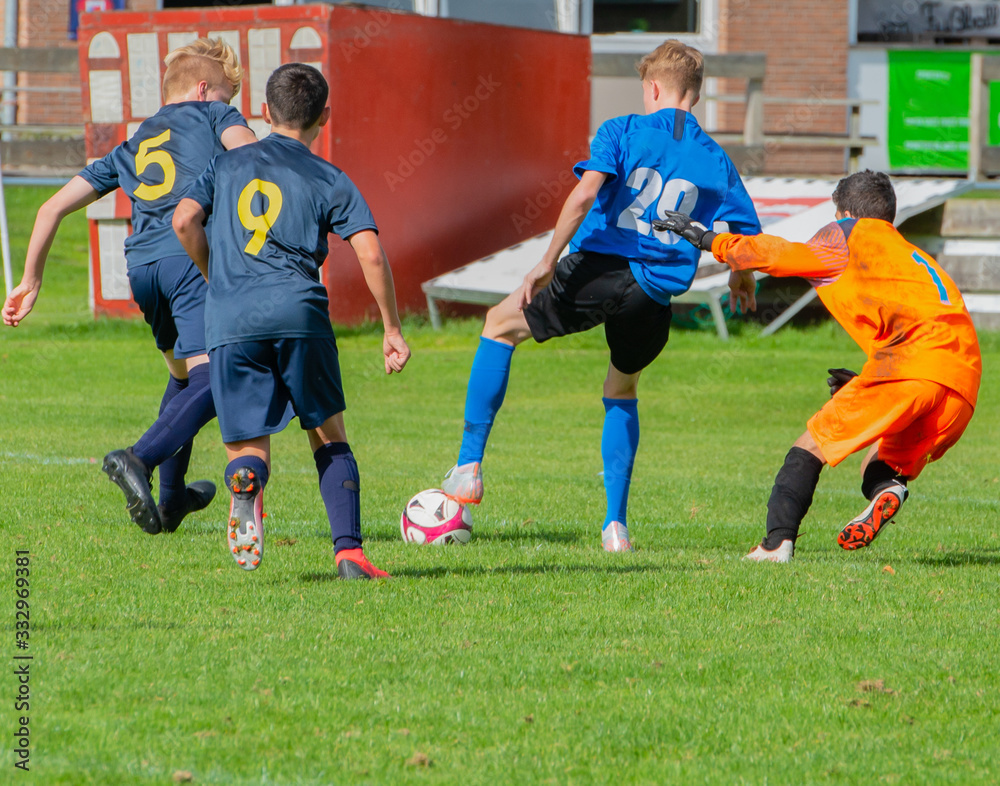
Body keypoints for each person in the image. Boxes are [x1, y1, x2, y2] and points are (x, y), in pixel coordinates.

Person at [437, 40, 762, 551]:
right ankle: (615, 527)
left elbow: (587, 192)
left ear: (652, 88)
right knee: (620, 390)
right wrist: (744, 278)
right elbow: (746, 237)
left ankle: (469, 467)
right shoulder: (716, 158)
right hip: (655, 295)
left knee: (500, 325)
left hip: (600, 270)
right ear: (694, 97)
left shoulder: (623, 130)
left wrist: (546, 262)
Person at [655, 169, 982, 561]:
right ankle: (888, 491)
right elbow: (926, 327)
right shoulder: (914, 256)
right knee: (881, 461)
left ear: (844, 211)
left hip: (910, 367)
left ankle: (776, 544)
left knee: (810, 445)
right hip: (962, 384)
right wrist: (870, 378)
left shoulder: (847, 235)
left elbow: (778, 254)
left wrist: (709, 240)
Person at [2, 38, 258, 535]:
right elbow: (253, 159)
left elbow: (49, 207)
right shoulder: (213, 116)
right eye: (228, 96)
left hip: (142, 269)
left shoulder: (132, 144)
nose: (231, 107)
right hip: (190, 257)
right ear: (204, 89)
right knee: (216, 378)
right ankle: (138, 458)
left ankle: (171, 501)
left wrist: (30, 280)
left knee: (184, 376)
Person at [172, 63, 410, 578]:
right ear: (325, 115)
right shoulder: (330, 177)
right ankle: (349, 553)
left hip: (232, 318)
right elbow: (369, 253)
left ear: (264, 112)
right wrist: (391, 328)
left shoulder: (226, 164)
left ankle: (248, 482)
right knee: (328, 434)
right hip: (299, 313)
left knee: (247, 442)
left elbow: (184, 220)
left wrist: (217, 276)